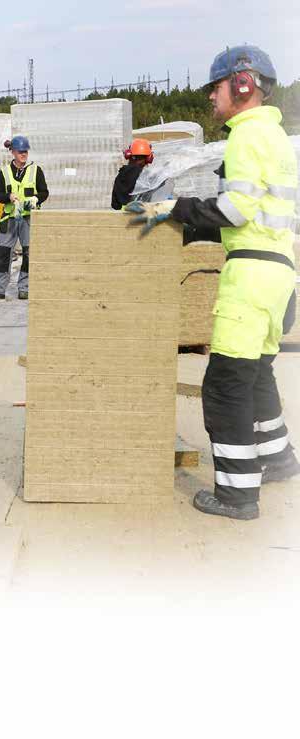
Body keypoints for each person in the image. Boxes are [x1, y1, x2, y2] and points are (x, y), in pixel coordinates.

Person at [126, 45, 298, 520]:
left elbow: (235, 211)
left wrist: (172, 209)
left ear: (243, 84)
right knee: (257, 375)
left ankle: (236, 495)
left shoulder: (245, 137)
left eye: (215, 87)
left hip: (251, 276)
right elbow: (256, 210)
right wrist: (191, 222)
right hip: (279, 273)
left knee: (225, 387)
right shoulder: (277, 138)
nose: (210, 97)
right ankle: (279, 460)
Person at [0, 135, 49, 300]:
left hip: (28, 219)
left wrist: (36, 198)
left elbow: (44, 192)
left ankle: (25, 288)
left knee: (29, 254)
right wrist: (8, 196)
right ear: (13, 152)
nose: (24, 154)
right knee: (3, 254)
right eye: (21, 151)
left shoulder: (36, 170)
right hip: (9, 218)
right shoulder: (5, 172)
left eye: (26, 151)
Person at [111, 138, 154, 210]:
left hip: (120, 216)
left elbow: (114, 204)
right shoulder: (145, 176)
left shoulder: (121, 175)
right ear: (148, 158)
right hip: (139, 215)